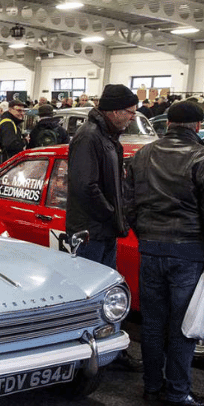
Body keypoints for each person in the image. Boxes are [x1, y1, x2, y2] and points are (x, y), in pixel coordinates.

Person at [124, 102, 204, 406]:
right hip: (188, 252)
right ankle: (178, 391)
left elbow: (129, 205)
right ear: (197, 126)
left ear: (168, 123)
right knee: (183, 325)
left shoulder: (142, 156)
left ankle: (152, 386)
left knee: (153, 324)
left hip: (151, 249)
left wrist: (145, 235)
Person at [65, 84, 137, 269]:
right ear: (115, 111)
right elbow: (86, 186)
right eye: (130, 112)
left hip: (103, 230)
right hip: (90, 233)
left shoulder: (107, 136)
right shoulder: (89, 137)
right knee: (90, 286)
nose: (133, 117)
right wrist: (111, 213)